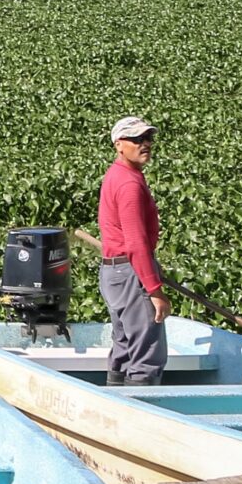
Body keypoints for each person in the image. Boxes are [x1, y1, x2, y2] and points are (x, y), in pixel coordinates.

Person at [98, 115, 168, 386]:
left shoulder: (116, 175)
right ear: (119, 144)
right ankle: (141, 416)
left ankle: (115, 404)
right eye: (137, 139)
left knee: (124, 346)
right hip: (130, 272)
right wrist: (154, 290)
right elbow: (136, 243)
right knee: (146, 356)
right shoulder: (128, 184)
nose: (145, 144)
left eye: (148, 138)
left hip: (112, 272)